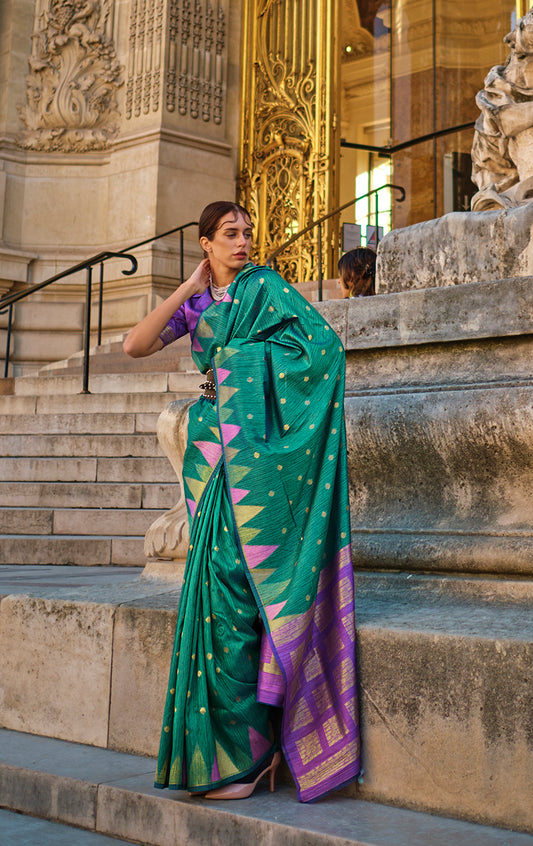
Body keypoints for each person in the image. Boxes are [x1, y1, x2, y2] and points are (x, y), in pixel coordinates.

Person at [124, 200, 361, 802]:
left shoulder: (269, 290)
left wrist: (237, 366)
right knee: (209, 595)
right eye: (230, 234)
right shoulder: (201, 305)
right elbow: (134, 345)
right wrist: (186, 288)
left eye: (248, 232)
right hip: (210, 461)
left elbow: (324, 352)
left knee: (235, 589)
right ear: (206, 243)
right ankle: (225, 758)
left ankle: (249, 758)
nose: (243, 242)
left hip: (254, 460)